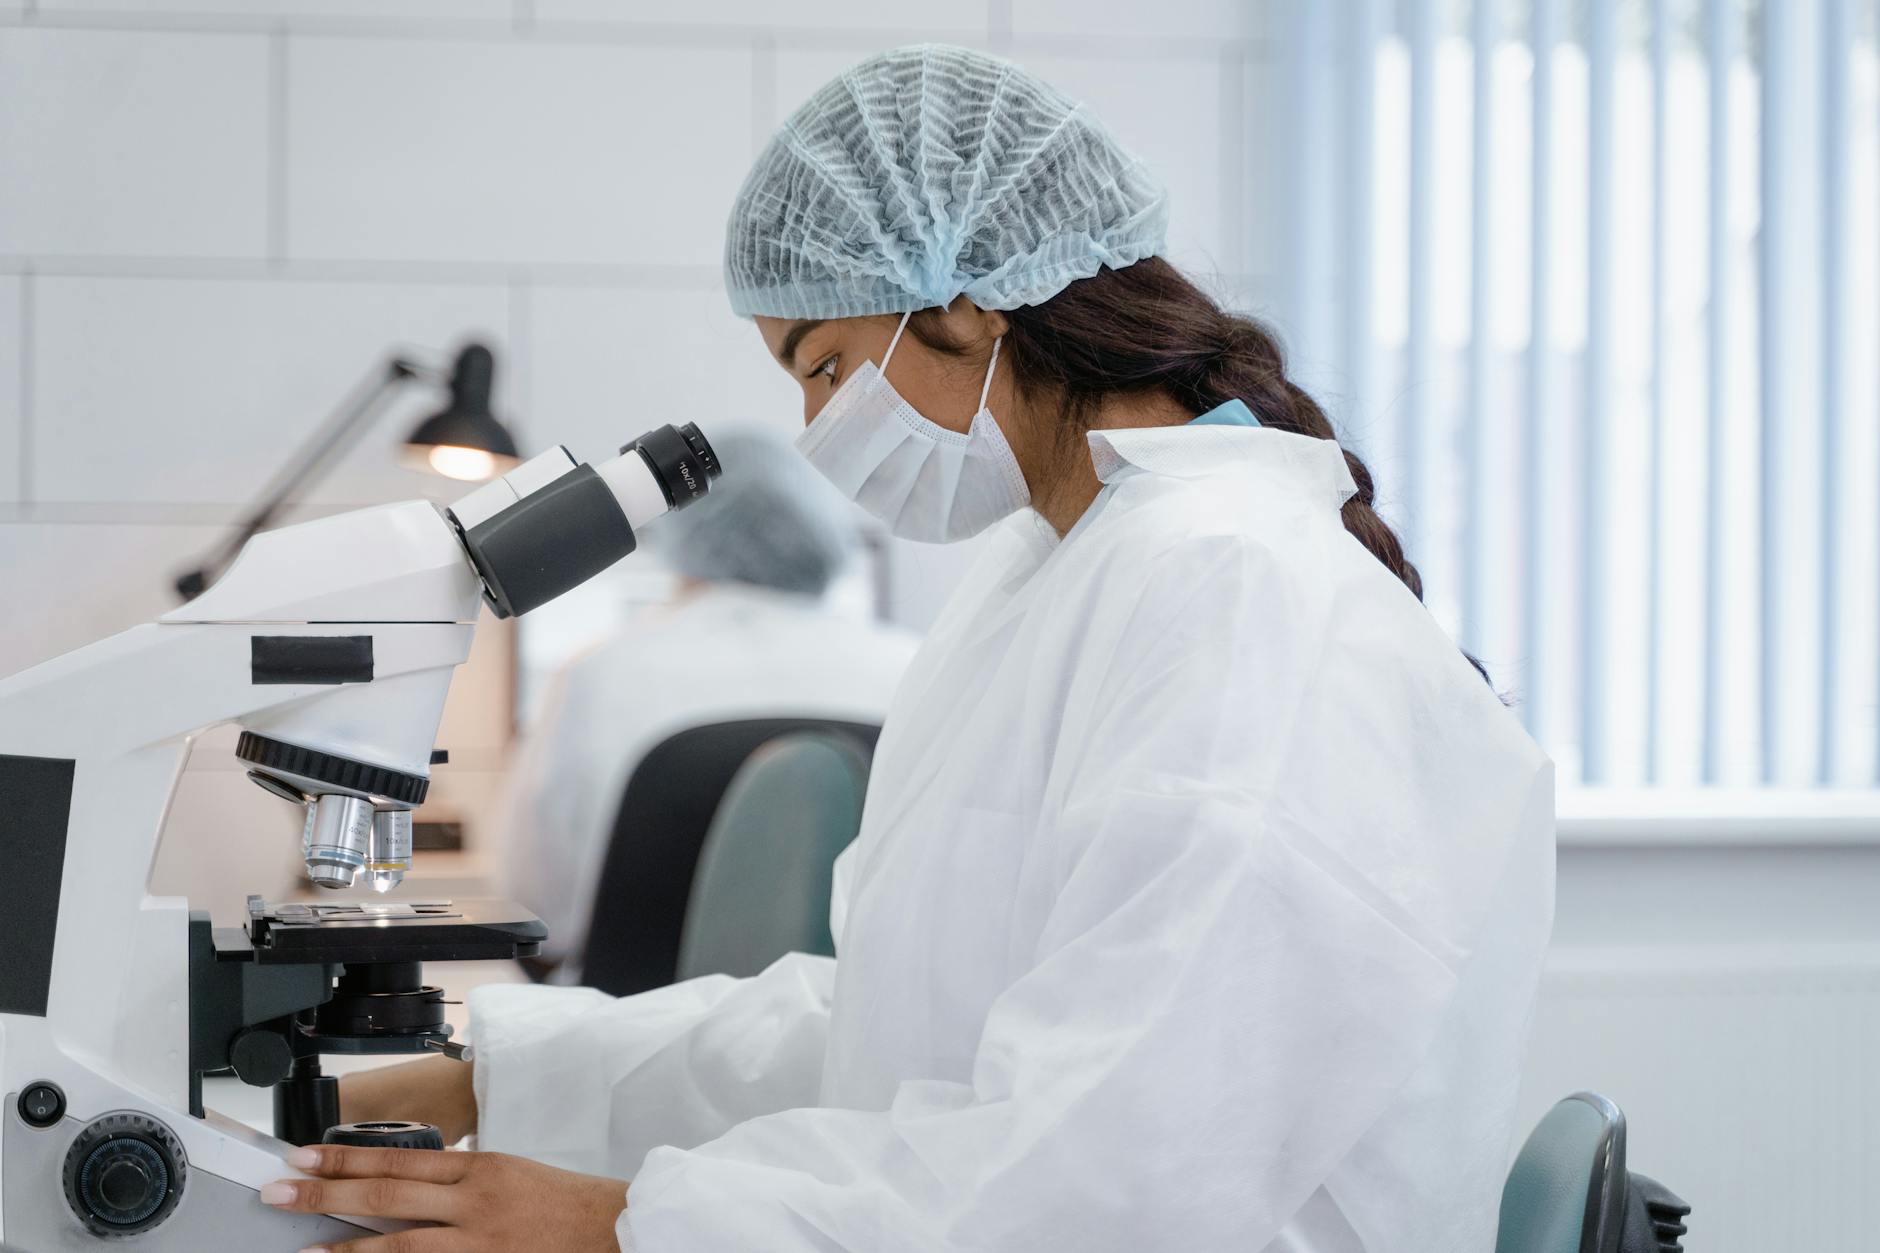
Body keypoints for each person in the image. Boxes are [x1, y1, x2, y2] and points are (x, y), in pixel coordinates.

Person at [267, 44, 1554, 1253]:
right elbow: (887, 1032)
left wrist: (618, 1222)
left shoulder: (1232, 586)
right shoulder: (1048, 571)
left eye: (824, 364)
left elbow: (1121, 1165)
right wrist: (494, 1075)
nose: (817, 426)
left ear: (967, 298)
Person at [496, 426, 917, 979]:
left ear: (679, 527)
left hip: (639, 1036)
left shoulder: (604, 674)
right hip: (847, 1026)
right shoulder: (915, 667)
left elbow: (536, 910)